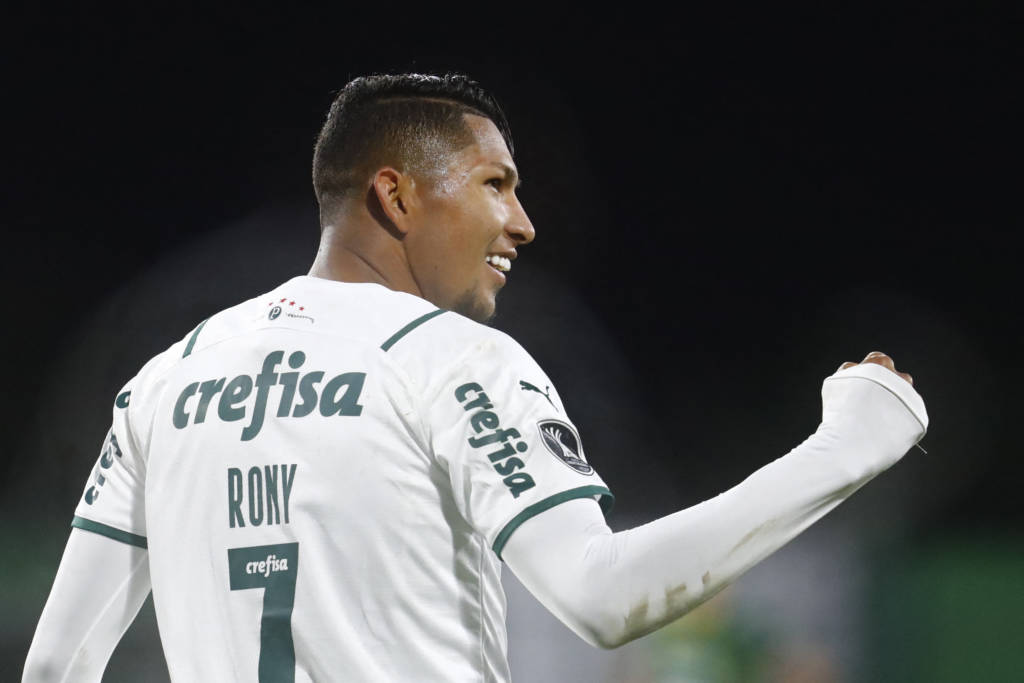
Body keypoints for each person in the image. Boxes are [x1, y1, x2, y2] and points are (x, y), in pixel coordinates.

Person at [23, 73, 927, 682]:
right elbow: (604, 595)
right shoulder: (453, 359)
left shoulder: (164, 381)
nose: (522, 222)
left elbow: (58, 664)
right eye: (495, 184)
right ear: (396, 195)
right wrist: (847, 445)